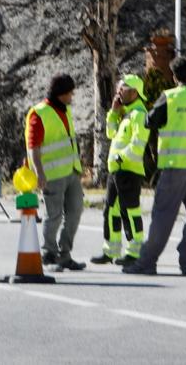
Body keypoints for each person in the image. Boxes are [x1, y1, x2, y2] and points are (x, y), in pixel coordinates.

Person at [124, 56, 186, 276]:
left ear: (174, 77)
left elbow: (150, 121)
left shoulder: (170, 97)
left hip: (175, 165)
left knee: (164, 215)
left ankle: (147, 262)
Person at [25, 73, 85, 271]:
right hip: (51, 175)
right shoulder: (39, 113)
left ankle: (65, 253)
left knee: (75, 212)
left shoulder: (64, 110)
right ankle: (49, 253)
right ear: (61, 94)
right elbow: (33, 146)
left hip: (71, 172)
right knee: (54, 215)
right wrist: (39, 172)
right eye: (70, 93)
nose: (72, 97)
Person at [90, 74, 149, 266]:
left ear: (134, 91)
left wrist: (119, 157)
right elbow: (110, 133)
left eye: (122, 89)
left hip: (129, 171)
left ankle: (135, 250)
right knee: (111, 211)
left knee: (129, 211)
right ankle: (111, 250)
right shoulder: (127, 113)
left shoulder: (139, 114)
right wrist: (114, 113)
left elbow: (138, 144)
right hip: (117, 170)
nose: (118, 92)